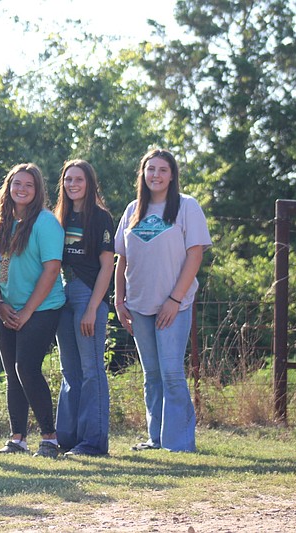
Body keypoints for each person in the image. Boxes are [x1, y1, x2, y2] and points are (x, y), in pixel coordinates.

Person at [115, 148, 211, 453]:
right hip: (139, 306)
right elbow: (122, 258)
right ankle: (155, 438)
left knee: (171, 372)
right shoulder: (133, 210)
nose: (155, 175)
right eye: (150, 169)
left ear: (172, 175)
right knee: (152, 375)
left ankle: (180, 443)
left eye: (162, 170)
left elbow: (195, 255)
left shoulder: (186, 207)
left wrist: (174, 298)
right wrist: (119, 300)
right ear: (143, 174)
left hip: (174, 306)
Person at [0, 163, 65, 459]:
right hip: (5, 307)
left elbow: (52, 270)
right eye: (16, 184)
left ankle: (49, 438)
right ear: (8, 187)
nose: (21, 189)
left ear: (37, 191)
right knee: (12, 374)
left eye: (29, 185)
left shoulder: (46, 223)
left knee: (27, 369)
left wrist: (27, 312)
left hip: (42, 308)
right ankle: (17, 438)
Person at [53, 160, 114, 456]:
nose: (72, 184)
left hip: (88, 295)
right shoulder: (60, 216)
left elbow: (107, 265)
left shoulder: (100, 217)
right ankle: (67, 437)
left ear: (89, 183)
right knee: (70, 370)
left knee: (92, 370)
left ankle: (94, 441)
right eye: (68, 179)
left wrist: (93, 307)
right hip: (62, 294)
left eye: (78, 179)